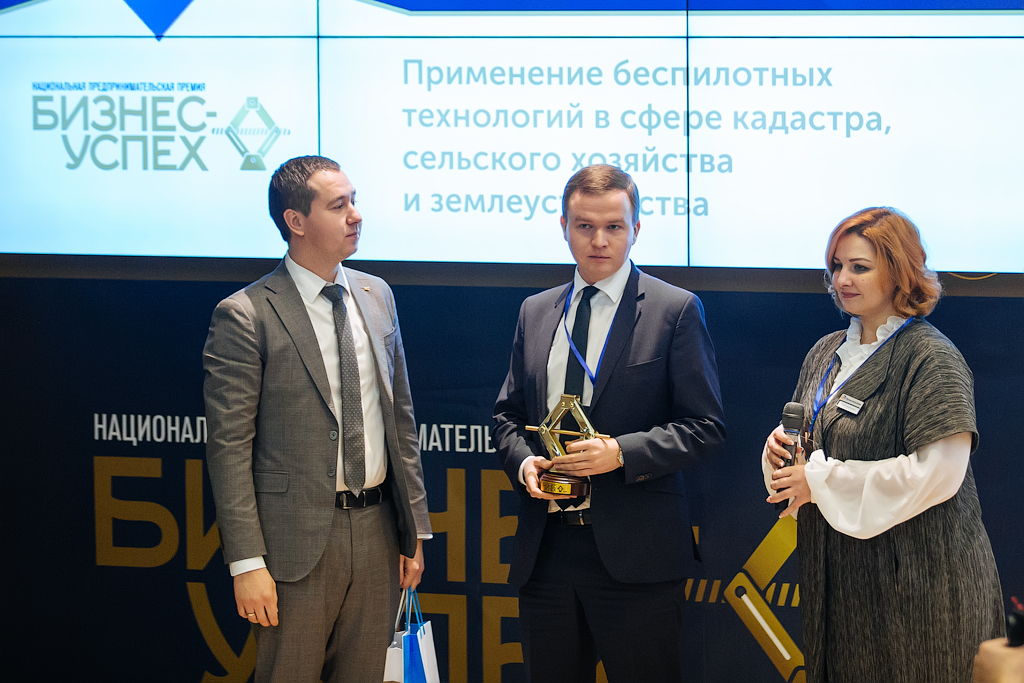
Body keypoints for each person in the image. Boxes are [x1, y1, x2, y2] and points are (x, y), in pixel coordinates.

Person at [493, 164, 726, 683]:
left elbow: (705, 426)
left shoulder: (674, 310)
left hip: (637, 556)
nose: (599, 241)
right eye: (585, 226)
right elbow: (507, 417)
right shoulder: (535, 311)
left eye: (614, 227)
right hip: (547, 552)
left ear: (635, 229)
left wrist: (620, 453)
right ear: (564, 227)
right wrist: (525, 464)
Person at [203, 155, 430, 683]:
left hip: (377, 535)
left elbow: (401, 421)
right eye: (338, 205)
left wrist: (414, 530)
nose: (356, 215)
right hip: (292, 546)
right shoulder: (246, 313)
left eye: (354, 201)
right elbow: (229, 449)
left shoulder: (377, 295)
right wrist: (246, 563)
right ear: (296, 221)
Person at [763, 207, 1004, 682]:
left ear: (898, 271)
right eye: (837, 266)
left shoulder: (931, 356)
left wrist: (819, 480)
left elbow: (937, 475)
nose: (842, 279)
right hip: (844, 586)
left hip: (922, 591)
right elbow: (812, 441)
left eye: (859, 267)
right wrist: (781, 453)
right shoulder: (826, 352)